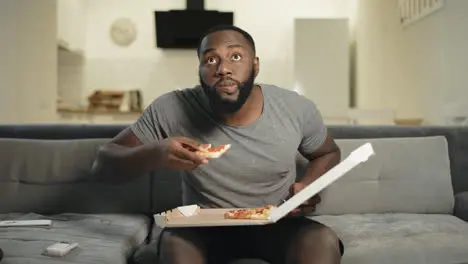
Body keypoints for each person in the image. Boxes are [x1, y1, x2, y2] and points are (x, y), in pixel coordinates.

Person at [92, 25, 343, 264]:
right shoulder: (171, 108)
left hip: (277, 221)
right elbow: (103, 165)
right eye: (211, 60)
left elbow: (328, 153)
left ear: (255, 66)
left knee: (322, 241)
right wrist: (155, 154)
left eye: (235, 56)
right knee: (175, 246)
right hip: (202, 228)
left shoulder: (295, 108)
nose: (223, 68)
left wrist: (309, 186)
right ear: (200, 69)